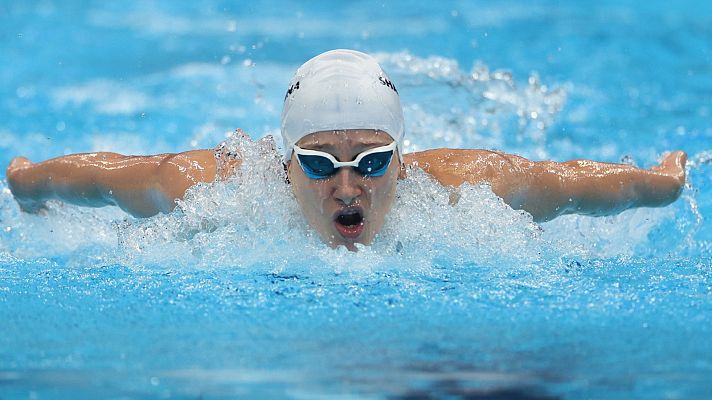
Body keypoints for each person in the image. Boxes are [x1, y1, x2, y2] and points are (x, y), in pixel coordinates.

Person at [5, 49, 687, 251]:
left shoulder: (461, 188)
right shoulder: (204, 188)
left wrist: (661, 182)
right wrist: (29, 181)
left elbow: (573, 182)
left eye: (372, 160)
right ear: (284, 164)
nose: (348, 186)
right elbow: (98, 177)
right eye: (319, 163)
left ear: (402, 156)